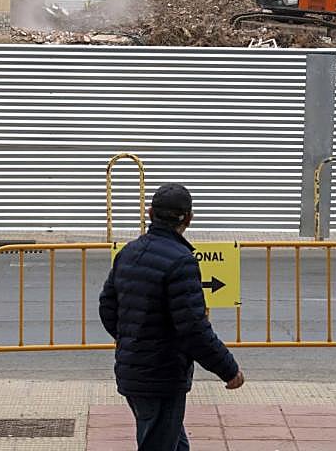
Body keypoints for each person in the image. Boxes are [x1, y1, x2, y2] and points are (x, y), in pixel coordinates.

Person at [99, 184, 244, 450]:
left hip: (133, 370)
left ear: (150, 212)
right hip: (161, 376)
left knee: (174, 443)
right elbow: (193, 329)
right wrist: (228, 369)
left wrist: (132, 338)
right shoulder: (181, 261)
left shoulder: (128, 252)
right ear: (188, 218)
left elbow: (107, 306)